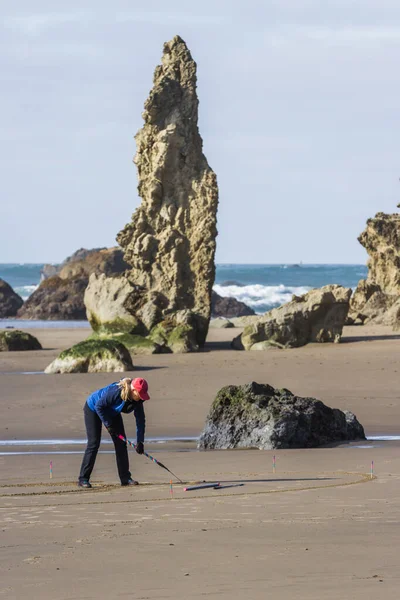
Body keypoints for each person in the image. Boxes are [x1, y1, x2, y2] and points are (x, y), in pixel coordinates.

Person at [77, 377, 150, 489]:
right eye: (140, 394)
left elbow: (140, 420)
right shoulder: (117, 391)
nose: (141, 397)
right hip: (93, 408)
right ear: (133, 390)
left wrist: (140, 441)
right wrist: (108, 425)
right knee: (94, 443)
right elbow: (99, 406)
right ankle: (83, 479)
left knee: (121, 443)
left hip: (111, 412)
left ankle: (125, 478)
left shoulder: (138, 400)